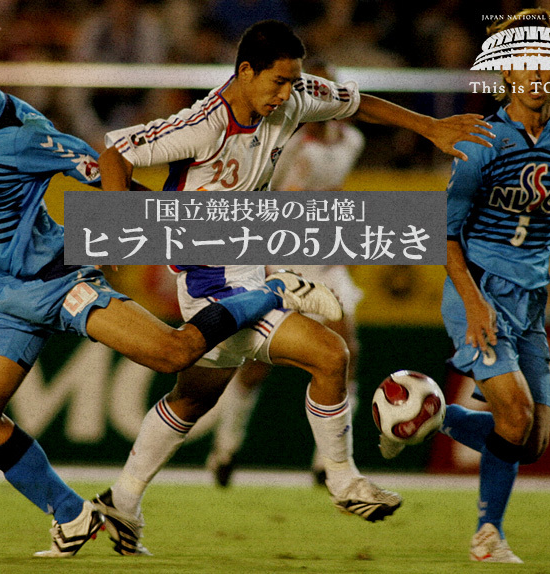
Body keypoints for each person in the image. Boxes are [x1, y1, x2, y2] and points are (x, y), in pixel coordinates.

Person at [0, 23, 342, 559]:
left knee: (172, 355)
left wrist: (140, 227)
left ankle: (275, 288)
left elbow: (107, 170)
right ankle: (74, 516)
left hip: (60, 279)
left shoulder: (27, 134)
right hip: (10, 294)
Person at [95, 19, 495, 555]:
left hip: (246, 265)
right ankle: (342, 480)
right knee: (331, 355)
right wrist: (119, 232)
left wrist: (430, 127)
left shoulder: (294, 97)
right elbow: (115, 152)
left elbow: (357, 104)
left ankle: (121, 500)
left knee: (192, 398)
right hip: (213, 280)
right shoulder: (205, 124)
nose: (287, 94)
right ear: (245, 71)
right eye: (278, 81)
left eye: (292, 82)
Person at [382, 8, 550, 563]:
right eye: (525, 62)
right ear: (506, 71)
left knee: (532, 442)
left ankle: (426, 412)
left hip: (530, 299)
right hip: (477, 290)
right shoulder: (481, 140)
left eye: (547, 62)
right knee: (514, 415)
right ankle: (488, 535)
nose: (537, 73)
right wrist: (474, 303)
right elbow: (445, 235)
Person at [204, 60, 365, 487]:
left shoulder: (353, 141)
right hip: (283, 258)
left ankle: (330, 461)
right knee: (257, 363)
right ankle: (225, 449)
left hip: (327, 262)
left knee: (347, 352)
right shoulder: (287, 141)